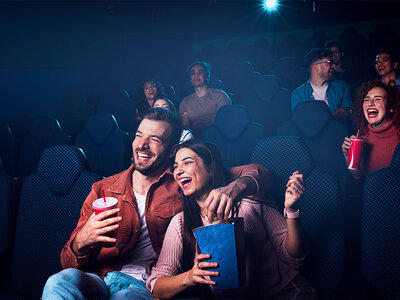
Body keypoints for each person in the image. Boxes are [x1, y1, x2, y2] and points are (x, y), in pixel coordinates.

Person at [42, 108, 273, 299]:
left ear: (172, 150)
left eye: (154, 139)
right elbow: (67, 261)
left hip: (145, 287)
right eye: (139, 135)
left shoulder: (184, 182)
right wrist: (81, 241)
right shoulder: (103, 189)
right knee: (57, 282)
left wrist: (235, 187)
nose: (142, 145)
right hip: (100, 278)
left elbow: (261, 172)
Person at [146, 140, 317, 299]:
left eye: (187, 162)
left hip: (284, 292)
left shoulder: (249, 203)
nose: (178, 170)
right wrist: (190, 276)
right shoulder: (180, 223)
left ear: (211, 167)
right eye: (175, 166)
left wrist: (291, 209)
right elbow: (156, 285)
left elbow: (295, 258)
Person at [342, 80, 400, 179]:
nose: (370, 103)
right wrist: (349, 159)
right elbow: (358, 176)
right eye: (366, 100)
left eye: (378, 99)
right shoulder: (362, 136)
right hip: (374, 193)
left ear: (391, 107)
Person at [291, 48, 352, 120]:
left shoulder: (342, 87)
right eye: (329, 62)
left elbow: (351, 114)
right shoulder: (298, 94)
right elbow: (300, 121)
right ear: (316, 67)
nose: (333, 66)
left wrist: (349, 111)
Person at [179, 61, 231, 138]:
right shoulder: (185, 102)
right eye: (193, 73)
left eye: (200, 72)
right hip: (197, 140)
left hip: (219, 137)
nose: (196, 75)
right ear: (190, 78)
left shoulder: (220, 95)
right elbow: (186, 129)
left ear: (207, 76)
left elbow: (226, 121)